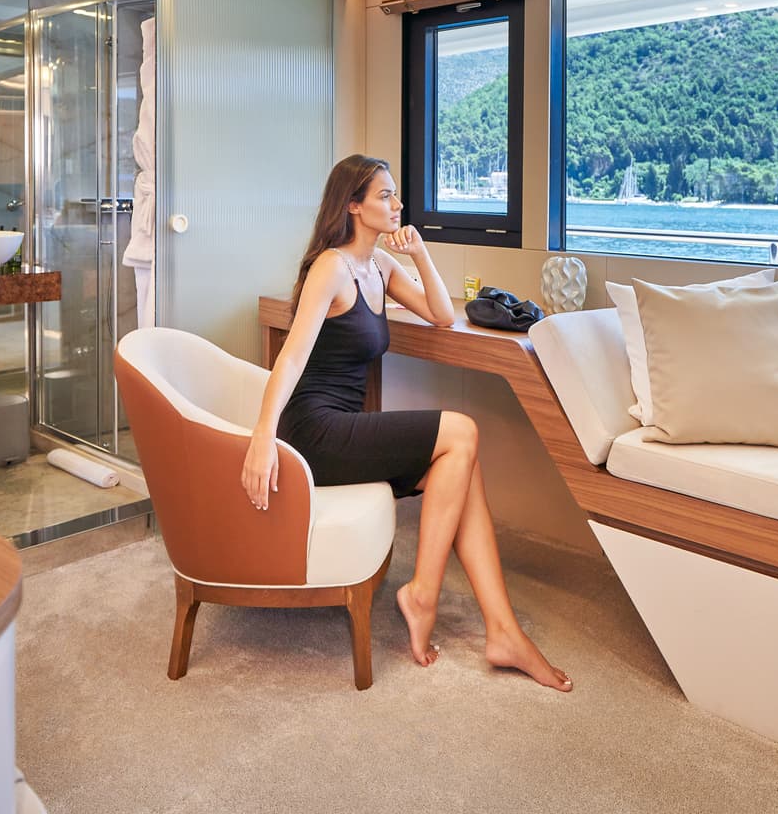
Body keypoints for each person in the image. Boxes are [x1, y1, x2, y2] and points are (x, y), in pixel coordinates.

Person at [242, 154, 571, 692]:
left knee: (461, 466)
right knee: (461, 431)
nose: (397, 205)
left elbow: (442, 315)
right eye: (384, 196)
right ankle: (423, 595)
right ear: (353, 206)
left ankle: (502, 630)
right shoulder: (332, 267)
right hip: (314, 432)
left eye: (396, 195)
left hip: (346, 427)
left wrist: (420, 251)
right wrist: (262, 435)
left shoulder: (378, 267)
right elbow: (293, 356)